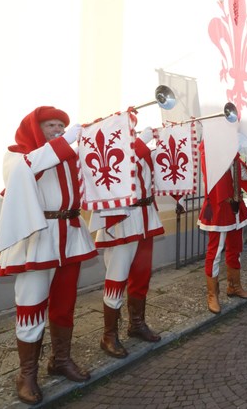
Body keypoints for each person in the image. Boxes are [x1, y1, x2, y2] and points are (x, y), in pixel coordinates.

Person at [0, 107, 97, 405]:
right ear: (35, 127)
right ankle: (26, 374)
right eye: (51, 125)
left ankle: (60, 360)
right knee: (31, 304)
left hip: (71, 234)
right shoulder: (17, 155)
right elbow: (26, 170)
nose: (58, 129)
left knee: (65, 304)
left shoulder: (66, 155)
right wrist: (66, 143)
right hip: (37, 237)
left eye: (61, 125)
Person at [89, 126, 165, 359]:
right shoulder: (115, 148)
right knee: (117, 278)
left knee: (142, 276)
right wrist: (142, 141)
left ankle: (136, 324)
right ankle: (109, 335)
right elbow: (120, 169)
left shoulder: (140, 149)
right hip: (122, 220)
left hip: (145, 219)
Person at [197, 142, 247, 313]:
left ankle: (234, 286)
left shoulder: (234, 157)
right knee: (215, 252)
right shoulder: (210, 153)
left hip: (235, 209)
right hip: (219, 209)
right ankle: (212, 295)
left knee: (236, 249)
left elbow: (246, 175)